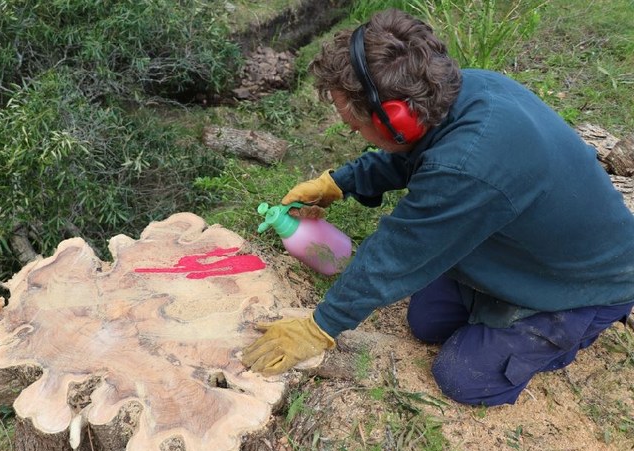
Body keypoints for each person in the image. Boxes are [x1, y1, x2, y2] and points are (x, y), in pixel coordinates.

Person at [240, 8, 634, 406]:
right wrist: (339, 183)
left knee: (462, 378)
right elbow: (414, 156)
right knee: (426, 321)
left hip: (586, 278)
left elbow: (397, 253)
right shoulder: (462, 92)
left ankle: (570, 327)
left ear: (397, 120)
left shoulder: (467, 167)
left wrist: (319, 327)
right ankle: (503, 304)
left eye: (353, 124)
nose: (351, 130)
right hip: (533, 242)